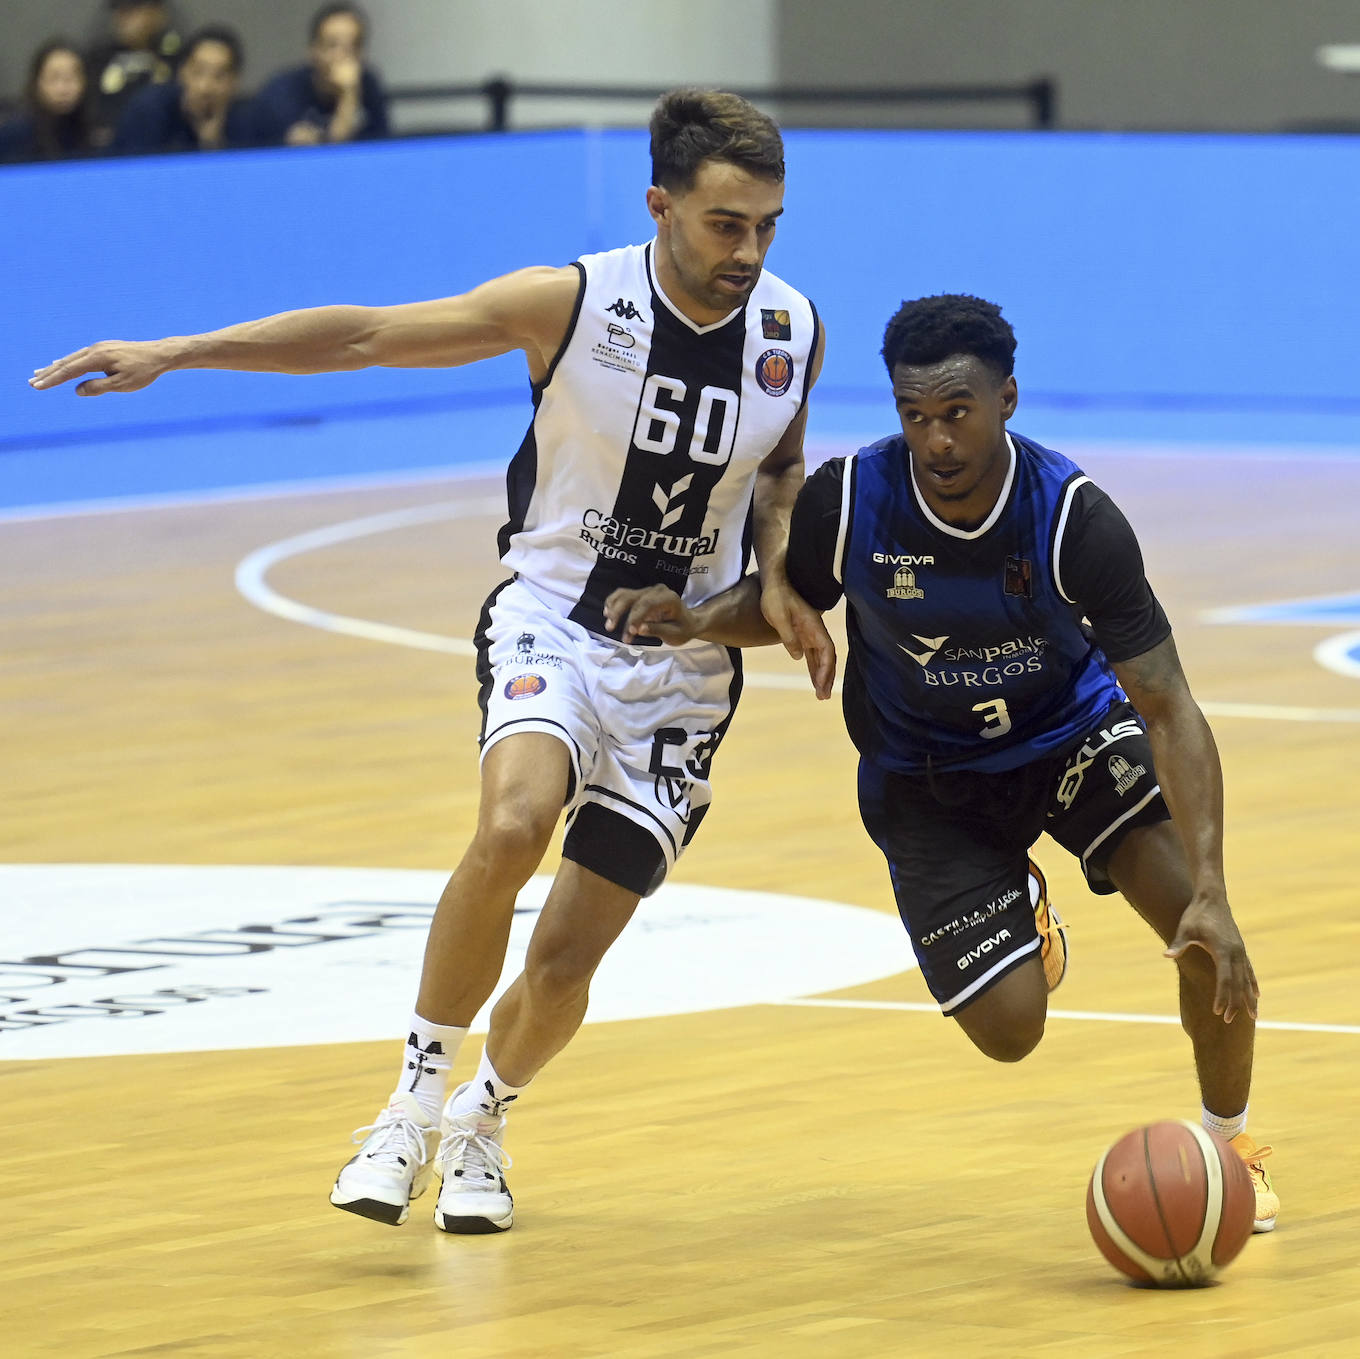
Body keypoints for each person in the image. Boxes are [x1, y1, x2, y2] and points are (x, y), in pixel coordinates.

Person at [30, 88, 833, 1235]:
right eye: (723, 225)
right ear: (660, 205)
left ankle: (483, 1123)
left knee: (566, 958)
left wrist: (784, 572)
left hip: (682, 672)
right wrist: (185, 351)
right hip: (553, 617)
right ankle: (407, 1104)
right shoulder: (571, 301)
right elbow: (366, 335)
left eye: (767, 227)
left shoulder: (792, 329)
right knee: (513, 824)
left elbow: (784, 469)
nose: (748, 252)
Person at [604, 293, 1279, 1233]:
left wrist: (1211, 880)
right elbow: (784, 599)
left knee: (1204, 934)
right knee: (1009, 1031)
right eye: (914, 417)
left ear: (1006, 397)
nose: (937, 441)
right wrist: (697, 617)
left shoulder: (1073, 516)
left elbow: (1168, 702)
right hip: (926, 780)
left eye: (957, 413)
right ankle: (1025, 919)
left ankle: (1232, 1142)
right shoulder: (853, 498)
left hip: (1069, 738)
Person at [253, 3, 389, 147]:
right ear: (313, 51)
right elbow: (331, 155)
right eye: (333, 45)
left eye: (354, 46)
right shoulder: (282, 91)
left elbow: (384, 146)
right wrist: (348, 94)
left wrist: (350, 93)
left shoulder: (369, 84)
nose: (343, 56)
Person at [112, 25, 256, 155]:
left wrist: (211, 145)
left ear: (235, 81)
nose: (205, 87)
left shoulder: (249, 121)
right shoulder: (149, 111)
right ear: (182, 72)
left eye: (219, 76)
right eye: (198, 72)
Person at [86, 0, 182, 144]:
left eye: (132, 11)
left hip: (163, 150)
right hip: (108, 153)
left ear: (157, 13)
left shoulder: (177, 61)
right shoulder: (97, 60)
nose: (122, 19)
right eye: (119, 10)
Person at [0, 40, 99, 163]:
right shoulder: (14, 133)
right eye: (54, 78)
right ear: (37, 82)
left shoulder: (94, 133)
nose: (63, 89)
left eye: (71, 78)